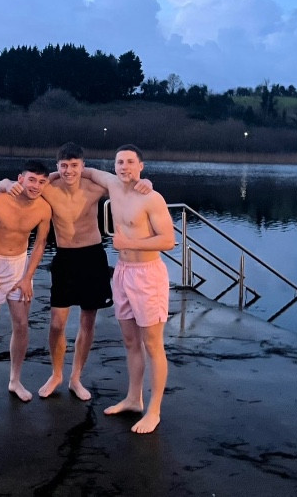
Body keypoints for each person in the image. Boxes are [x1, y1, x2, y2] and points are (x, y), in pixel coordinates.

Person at [0, 142, 152, 401]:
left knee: (87, 321)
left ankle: (76, 377)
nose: (69, 171)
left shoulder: (94, 187)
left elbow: (126, 184)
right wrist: (5, 183)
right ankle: (56, 373)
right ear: (57, 166)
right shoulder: (49, 188)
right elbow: (15, 184)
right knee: (57, 323)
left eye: (74, 165)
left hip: (92, 256)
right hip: (65, 258)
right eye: (64, 166)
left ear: (83, 166)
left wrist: (145, 182)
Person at [81, 144, 175, 434]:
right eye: (119, 162)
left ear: (140, 166)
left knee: (152, 344)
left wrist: (130, 243)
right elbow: (84, 171)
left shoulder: (152, 198)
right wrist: (15, 181)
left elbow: (168, 240)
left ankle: (154, 411)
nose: (124, 167)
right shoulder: (111, 184)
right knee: (131, 341)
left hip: (148, 275)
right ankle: (134, 399)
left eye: (130, 162)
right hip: (122, 273)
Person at [0, 160, 52, 408]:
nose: (36, 186)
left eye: (41, 181)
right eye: (31, 179)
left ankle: (15, 380)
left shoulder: (43, 208)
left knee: (22, 324)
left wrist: (27, 277)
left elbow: (40, 244)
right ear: (20, 178)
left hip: (20, 266)